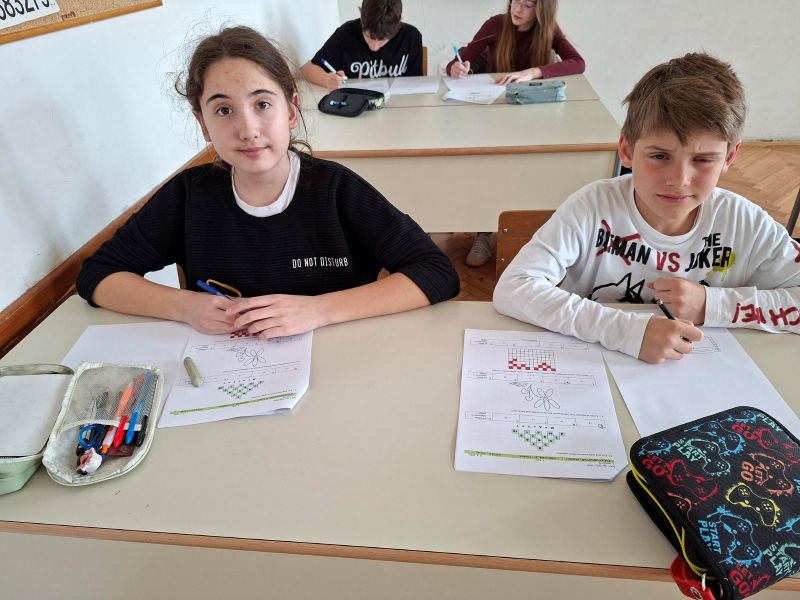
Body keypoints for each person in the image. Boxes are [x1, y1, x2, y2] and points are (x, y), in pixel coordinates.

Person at [77, 26, 459, 339]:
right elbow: (98, 276)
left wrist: (318, 310)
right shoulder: (188, 195)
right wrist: (185, 306)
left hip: (339, 363)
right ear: (203, 124)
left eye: (262, 104)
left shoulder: (336, 189)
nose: (247, 130)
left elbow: (436, 272)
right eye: (223, 110)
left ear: (291, 111)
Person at [493, 52, 800, 364]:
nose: (679, 180)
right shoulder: (592, 207)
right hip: (594, 368)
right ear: (627, 150)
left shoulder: (746, 223)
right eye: (659, 156)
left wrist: (713, 305)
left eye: (703, 159)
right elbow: (514, 287)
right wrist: (626, 331)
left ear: (729, 157)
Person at [449, 0, 584, 267]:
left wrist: (534, 72)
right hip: (495, 115)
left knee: (531, 172)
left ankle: (530, 236)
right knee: (488, 170)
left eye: (527, 5)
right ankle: (484, 232)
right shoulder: (495, 25)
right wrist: (455, 67)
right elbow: (460, 60)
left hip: (535, 116)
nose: (517, 10)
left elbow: (578, 63)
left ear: (541, 10)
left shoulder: (549, 30)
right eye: (515, 2)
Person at [300, 0, 422, 90]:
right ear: (360, 13)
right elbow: (306, 70)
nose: (374, 47)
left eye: (382, 39)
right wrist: (327, 79)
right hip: (355, 108)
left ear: (399, 23)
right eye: (368, 36)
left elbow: (417, 84)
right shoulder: (345, 34)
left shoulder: (411, 38)